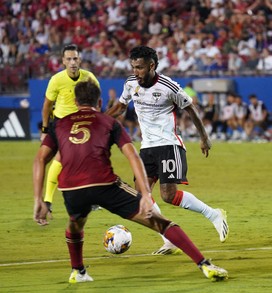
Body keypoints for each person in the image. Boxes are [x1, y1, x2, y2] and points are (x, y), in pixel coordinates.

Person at [33, 80, 228, 283]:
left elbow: (40, 159)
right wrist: (144, 194)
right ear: (99, 102)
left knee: (75, 224)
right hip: (105, 186)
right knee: (162, 222)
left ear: (74, 101)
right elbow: (132, 156)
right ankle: (204, 263)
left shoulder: (60, 124)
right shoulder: (108, 123)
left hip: (71, 189)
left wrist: (40, 199)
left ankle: (78, 271)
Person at [106, 46, 229, 255]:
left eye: (140, 67)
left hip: (169, 145)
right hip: (146, 148)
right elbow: (121, 106)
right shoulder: (130, 84)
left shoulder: (168, 86)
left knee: (168, 195)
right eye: (133, 67)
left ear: (152, 65)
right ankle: (168, 238)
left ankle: (214, 214)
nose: (136, 72)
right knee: (141, 195)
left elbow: (191, 108)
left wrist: (204, 138)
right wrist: (102, 121)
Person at [40, 44, 100, 216]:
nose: (73, 62)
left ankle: (91, 199)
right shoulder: (56, 80)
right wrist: (44, 129)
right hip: (62, 124)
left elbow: (96, 103)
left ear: (80, 59)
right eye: (69, 59)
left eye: (75, 58)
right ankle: (47, 201)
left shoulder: (89, 78)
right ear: (63, 61)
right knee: (61, 157)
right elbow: (47, 106)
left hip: (84, 123)